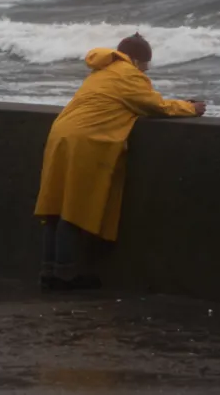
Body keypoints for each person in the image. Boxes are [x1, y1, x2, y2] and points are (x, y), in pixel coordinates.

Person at [34, 33, 205, 291]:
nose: (146, 71)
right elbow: (155, 106)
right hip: (85, 141)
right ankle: (65, 276)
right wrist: (191, 108)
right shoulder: (129, 74)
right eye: (146, 66)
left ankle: (48, 272)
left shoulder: (102, 72)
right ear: (136, 60)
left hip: (61, 134)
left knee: (55, 206)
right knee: (73, 206)